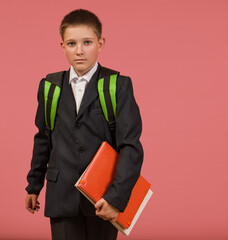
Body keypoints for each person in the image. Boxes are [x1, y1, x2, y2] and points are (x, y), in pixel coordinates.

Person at [25, 9, 143, 240]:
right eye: (71, 43)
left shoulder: (118, 86)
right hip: (62, 196)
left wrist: (115, 198)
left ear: (100, 43)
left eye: (87, 42)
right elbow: (44, 138)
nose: (79, 51)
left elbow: (130, 147)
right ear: (62, 46)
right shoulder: (49, 87)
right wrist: (33, 185)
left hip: (103, 196)